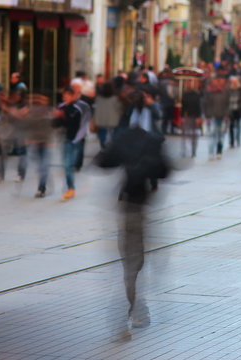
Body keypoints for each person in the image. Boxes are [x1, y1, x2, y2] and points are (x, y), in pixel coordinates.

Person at [94, 125, 169, 330]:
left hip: (129, 206)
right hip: (139, 209)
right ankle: (136, 307)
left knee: (131, 261)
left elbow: (102, 161)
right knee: (134, 262)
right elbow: (164, 171)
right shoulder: (149, 142)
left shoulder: (125, 139)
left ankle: (134, 305)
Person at [52, 87, 83, 201]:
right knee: (67, 165)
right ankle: (70, 187)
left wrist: (63, 116)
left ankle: (70, 188)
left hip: (75, 139)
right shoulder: (61, 107)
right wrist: (56, 117)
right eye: (63, 96)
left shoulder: (76, 109)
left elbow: (75, 124)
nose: (65, 97)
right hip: (65, 139)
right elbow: (55, 125)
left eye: (67, 95)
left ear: (72, 96)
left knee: (68, 165)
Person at [204, 77, 230, 159]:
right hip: (213, 117)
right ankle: (211, 152)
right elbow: (207, 105)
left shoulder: (225, 94)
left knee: (221, 136)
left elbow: (228, 106)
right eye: (217, 85)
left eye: (221, 85)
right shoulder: (211, 94)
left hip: (222, 118)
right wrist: (208, 115)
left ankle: (219, 151)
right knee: (212, 135)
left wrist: (227, 115)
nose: (219, 86)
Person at [93, 81, 123, 148]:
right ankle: (110, 149)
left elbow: (95, 109)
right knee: (112, 137)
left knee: (102, 136)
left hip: (101, 121)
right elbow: (120, 109)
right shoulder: (115, 99)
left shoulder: (98, 98)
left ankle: (103, 147)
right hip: (113, 122)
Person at [181, 80, 203, 158]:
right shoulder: (185, 94)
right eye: (188, 83)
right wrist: (182, 117)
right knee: (185, 135)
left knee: (194, 135)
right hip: (188, 116)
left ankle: (193, 151)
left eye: (190, 83)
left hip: (195, 116)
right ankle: (185, 151)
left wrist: (198, 117)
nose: (188, 85)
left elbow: (199, 106)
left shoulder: (197, 95)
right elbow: (183, 107)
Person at [227, 76, 241, 148]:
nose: (234, 83)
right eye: (233, 82)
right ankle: (231, 141)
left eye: (235, 82)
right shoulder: (228, 90)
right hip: (231, 110)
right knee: (231, 127)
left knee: (238, 126)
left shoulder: (240, 90)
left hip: (238, 110)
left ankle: (238, 140)